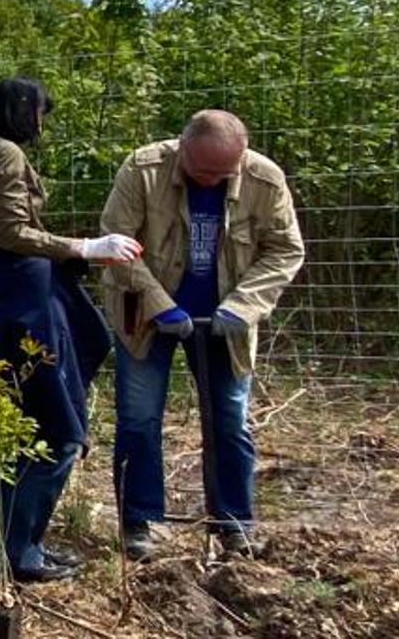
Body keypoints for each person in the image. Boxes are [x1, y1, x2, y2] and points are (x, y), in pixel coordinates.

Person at [0, 77, 143, 583]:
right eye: (39, 114)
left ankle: (13, 541)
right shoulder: (6, 155)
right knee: (58, 431)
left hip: (4, 294)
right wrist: (86, 247)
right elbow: (14, 233)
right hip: (28, 298)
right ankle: (18, 551)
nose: (41, 124)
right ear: (20, 111)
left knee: (24, 426)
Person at [101, 110, 304, 561]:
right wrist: (160, 305)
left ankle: (233, 523)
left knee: (230, 419)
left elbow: (286, 251)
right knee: (139, 417)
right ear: (183, 148)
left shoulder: (265, 180)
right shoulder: (143, 169)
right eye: (201, 170)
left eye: (222, 172)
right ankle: (139, 521)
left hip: (225, 323)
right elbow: (115, 242)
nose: (211, 180)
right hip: (145, 315)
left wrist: (244, 305)